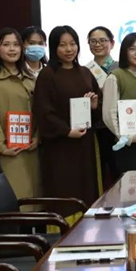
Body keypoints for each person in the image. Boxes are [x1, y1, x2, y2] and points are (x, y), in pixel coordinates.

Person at [33, 25, 100, 207]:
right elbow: (43, 111)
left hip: (84, 143)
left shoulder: (85, 72)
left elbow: (97, 106)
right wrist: (66, 131)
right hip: (60, 145)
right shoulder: (47, 74)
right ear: (54, 47)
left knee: (86, 189)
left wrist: (94, 105)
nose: (69, 49)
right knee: (64, 189)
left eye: (73, 44)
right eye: (63, 45)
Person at [0, 28, 40, 199]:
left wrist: (38, 137)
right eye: (6, 45)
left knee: (38, 198)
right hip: (9, 152)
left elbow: (41, 110)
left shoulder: (31, 78)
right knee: (18, 199)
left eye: (16, 45)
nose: (12, 49)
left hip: (33, 148)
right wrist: (2, 147)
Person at [102, 33, 136, 172]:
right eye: (132, 49)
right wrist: (126, 138)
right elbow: (109, 114)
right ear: (124, 51)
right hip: (128, 145)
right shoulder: (115, 77)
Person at [84, 26, 118, 188]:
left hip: (117, 128)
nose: (98, 45)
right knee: (98, 172)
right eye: (93, 41)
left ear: (112, 43)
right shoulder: (84, 71)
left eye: (103, 40)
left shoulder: (120, 68)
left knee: (117, 170)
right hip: (96, 128)